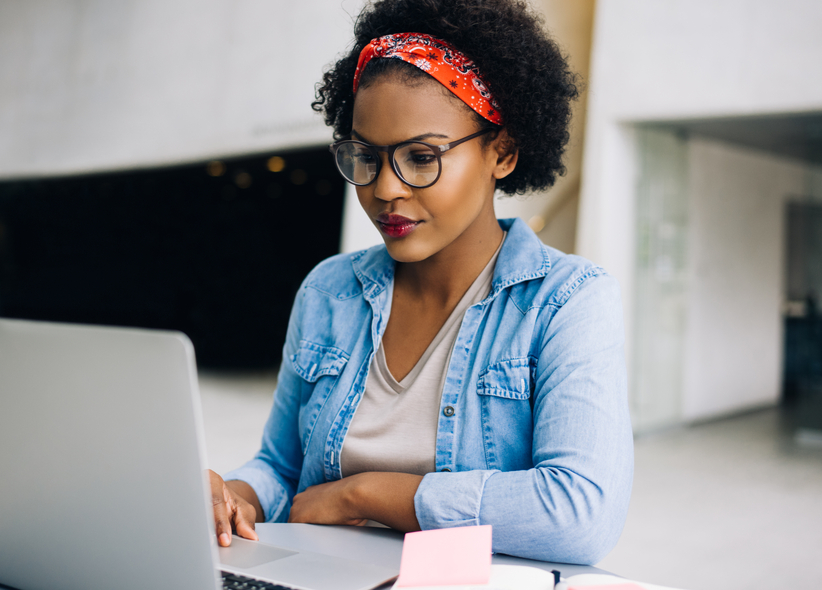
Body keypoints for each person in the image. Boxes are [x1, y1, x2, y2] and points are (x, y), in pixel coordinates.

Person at [209, 0, 633, 565]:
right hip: (317, 574)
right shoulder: (328, 292)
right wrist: (237, 495)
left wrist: (368, 494)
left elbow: (580, 512)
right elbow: (283, 469)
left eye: (421, 156)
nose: (386, 189)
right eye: (367, 157)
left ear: (501, 152)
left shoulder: (565, 301)